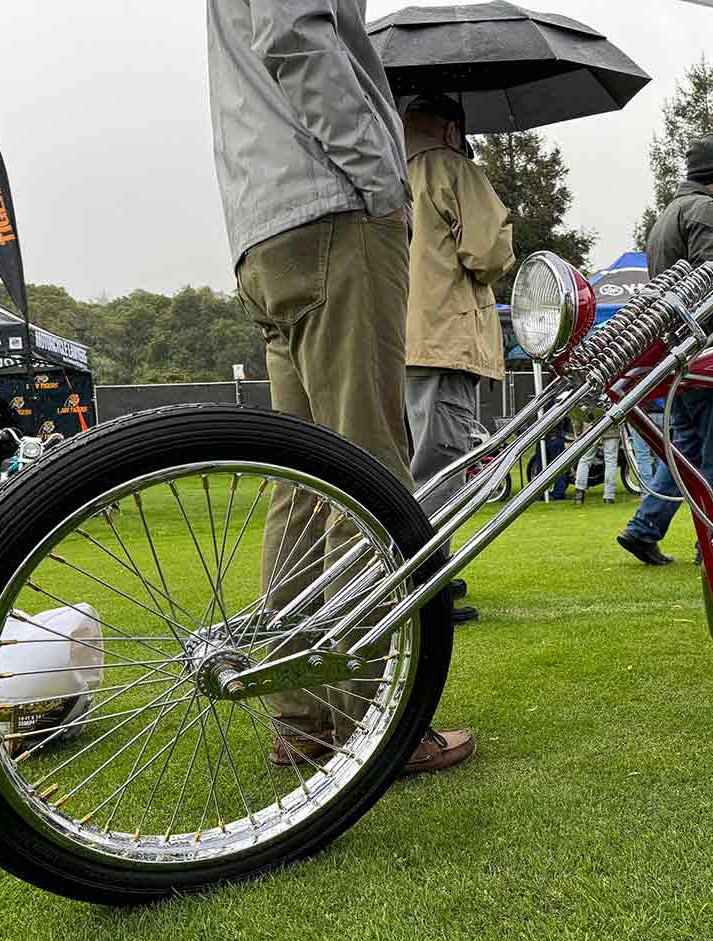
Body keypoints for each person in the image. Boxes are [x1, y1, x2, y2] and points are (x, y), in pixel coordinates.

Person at [207, 0, 473, 774]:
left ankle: (305, 715)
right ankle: (378, 716)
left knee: (306, 481)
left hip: (264, 223)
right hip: (334, 209)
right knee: (367, 472)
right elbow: (297, 30)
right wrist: (381, 175)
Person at [402, 94, 515, 620]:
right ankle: (424, 586)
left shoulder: (388, 173)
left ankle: (425, 573)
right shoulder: (450, 169)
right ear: (451, 130)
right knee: (441, 466)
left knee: (408, 464)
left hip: (397, 342)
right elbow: (487, 253)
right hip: (445, 338)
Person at [616, 136, 713, 566]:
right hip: (708, 351)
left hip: (678, 353)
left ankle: (645, 528)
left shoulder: (668, 214)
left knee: (687, 450)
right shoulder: (707, 210)